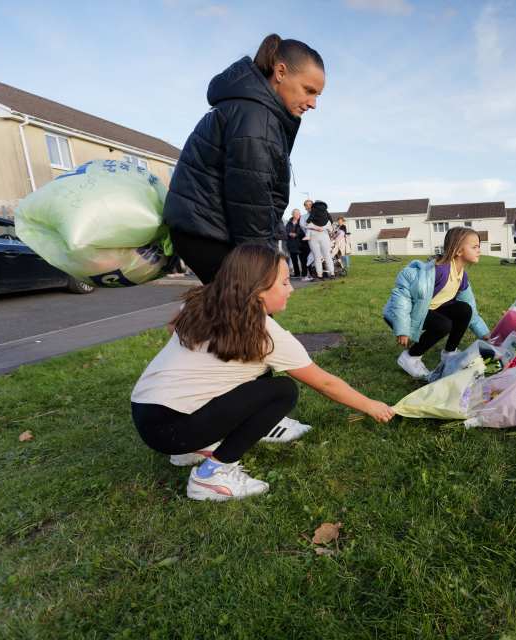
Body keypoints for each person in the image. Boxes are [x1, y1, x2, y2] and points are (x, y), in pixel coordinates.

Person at [131, 245, 394, 501]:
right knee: (283, 391)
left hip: (145, 414)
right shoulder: (265, 333)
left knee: (257, 371)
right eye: (285, 282)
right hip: (175, 429)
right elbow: (325, 383)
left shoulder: (201, 302)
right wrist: (372, 406)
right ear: (258, 290)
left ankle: (191, 449)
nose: (291, 289)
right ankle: (212, 475)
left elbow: (172, 328)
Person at [162, 35, 325, 284]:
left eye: (318, 95)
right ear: (280, 72)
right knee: (253, 310)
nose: (313, 103)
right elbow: (251, 203)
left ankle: (195, 319)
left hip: (202, 229)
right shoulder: (256, 119)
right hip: (208, 232)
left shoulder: (255, 110)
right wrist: (262, 267)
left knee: (231, 311)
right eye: (309, 90)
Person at [383, 227, 490, 379]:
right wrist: (403, 328)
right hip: (405, 313)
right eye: (474, 247)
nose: (479, 250)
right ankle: (410, 357)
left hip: (431, 310)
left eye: (479, 246)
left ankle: (449, 354)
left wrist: (485, 334)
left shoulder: (462, 276)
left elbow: (470, 307)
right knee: (443, 324)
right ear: (459, 251)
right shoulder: (439, 271)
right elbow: (402, 295)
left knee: (464, 309)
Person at [304, 200, 335, 279]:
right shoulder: (325, 212)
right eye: (307, 205)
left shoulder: (312, 213)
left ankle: (321, 275)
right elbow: (330, 222)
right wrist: (322, 227)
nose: (309, 206)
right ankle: (331, 274)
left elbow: (306, 225)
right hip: (323, 235)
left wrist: (315, 227)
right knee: (325, 256)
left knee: (319, 257)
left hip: (314, 236)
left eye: (310, 205)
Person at [285, 209, 307, 278]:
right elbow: (286, 230)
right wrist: (289, 233)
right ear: (293, 214)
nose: (298, 215)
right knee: (294, 260)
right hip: (291, 244)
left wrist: (296, 234)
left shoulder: (302, 222)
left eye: (298, 213)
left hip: (301, 244)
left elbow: (304, 231)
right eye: (296, 213)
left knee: (303, 260)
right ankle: (297, 273)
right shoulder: (289, 222)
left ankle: (304, 274)